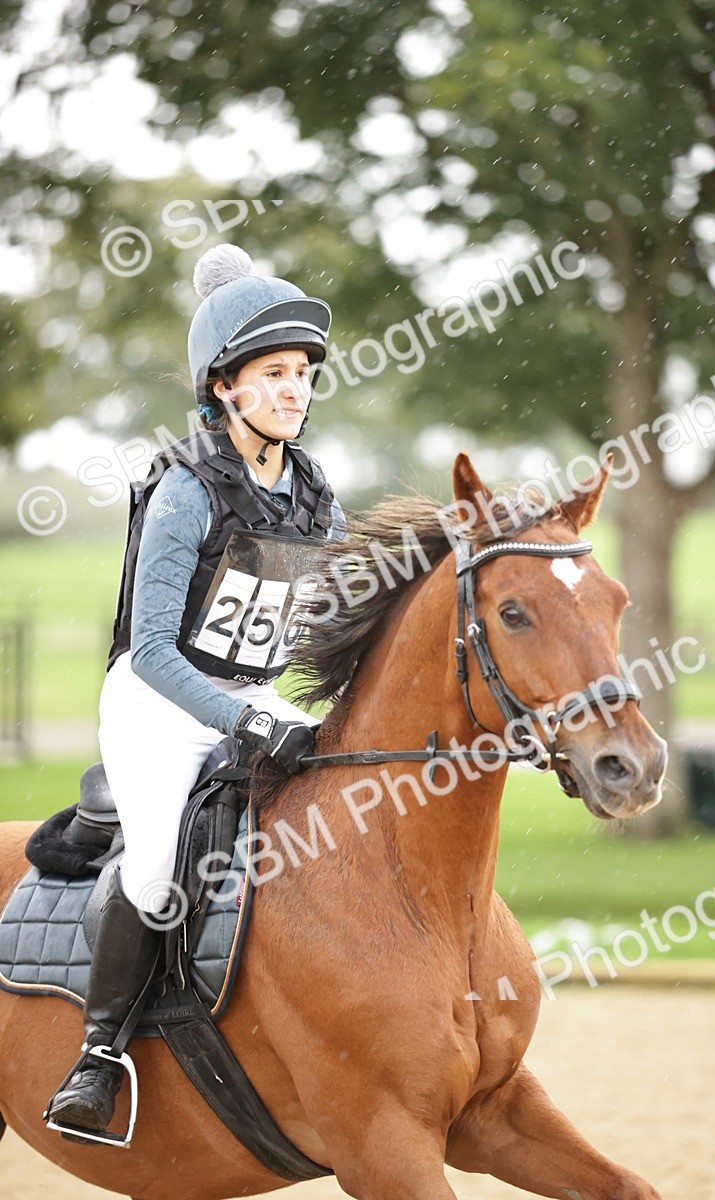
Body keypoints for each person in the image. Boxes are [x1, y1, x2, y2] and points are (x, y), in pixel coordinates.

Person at [48, 243, 344, 1138]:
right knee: (153, 874)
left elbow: (307, 631)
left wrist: (309, 708)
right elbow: (153, 657)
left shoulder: (314, 493)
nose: (295, 390)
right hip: (157, 704)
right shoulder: (185, 487)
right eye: (274, 374)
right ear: (224, 387)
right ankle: (97, 1059)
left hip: (253, 697)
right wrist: (248, 717)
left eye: (301, 374)